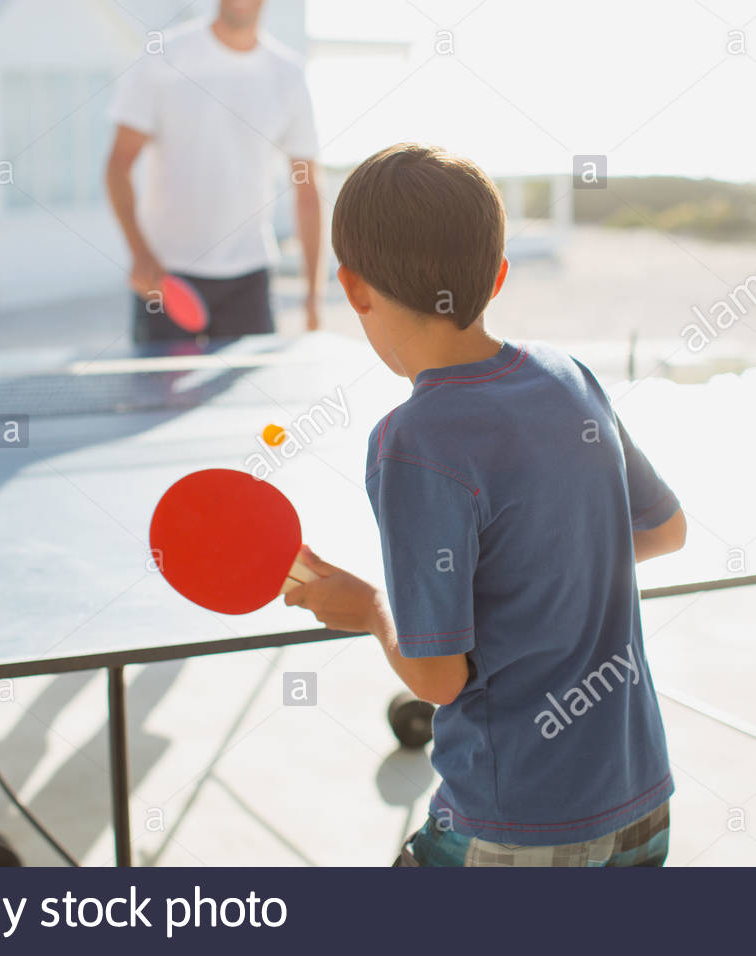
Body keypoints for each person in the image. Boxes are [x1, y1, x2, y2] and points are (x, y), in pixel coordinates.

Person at [284, 143, 688, 866]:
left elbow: (439, 677)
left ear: (353, 287)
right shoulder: (570, 376)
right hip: (641, 804)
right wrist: (546, 566)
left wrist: (369, 609)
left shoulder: (413, 443)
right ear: (498, 276)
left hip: (517, 826)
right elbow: (665, 528)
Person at [106, 0, 323, 343]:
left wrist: (313, 295)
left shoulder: (289, 75)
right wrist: (139, 253)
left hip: (250, 279)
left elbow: (308, 191)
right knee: (156, 397)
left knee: (253, 398)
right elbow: (118, 167)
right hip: (166, 278)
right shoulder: (163, 56)